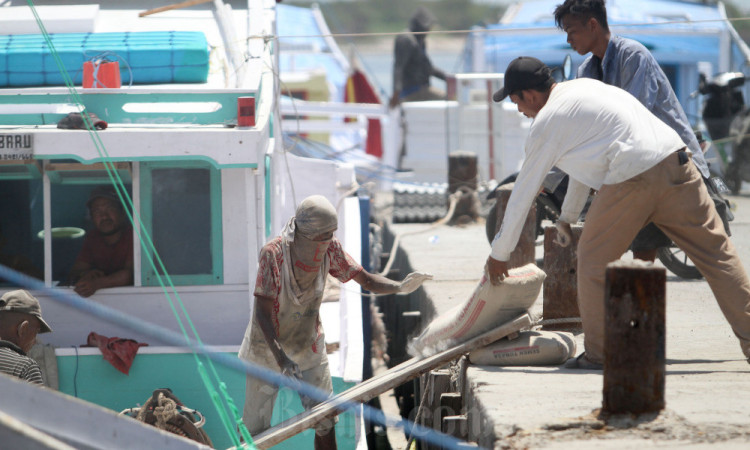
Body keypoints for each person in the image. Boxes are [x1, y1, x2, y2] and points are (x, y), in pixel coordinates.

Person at [485, 56, 750, 369]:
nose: (520, 110)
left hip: (633, 177)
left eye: (517, 102)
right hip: (678, 163)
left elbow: (523, 192)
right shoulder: (585, 89)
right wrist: (567, 218)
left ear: (530, 95)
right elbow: (585, 167)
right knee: (717, 257)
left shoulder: (545, 123)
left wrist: (499, 253)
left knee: (593, 261)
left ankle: (601, 354)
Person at [239, 195, 432, 449]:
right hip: (267, 350)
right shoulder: (273, 255)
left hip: (308, 345)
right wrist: (281, 358)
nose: (327, 242)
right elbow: (262, 313)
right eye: (323, 236)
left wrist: (400, 287)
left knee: (326, 417)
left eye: (332, 234)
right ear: (304, 234)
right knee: (255, 430)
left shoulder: (330, 248)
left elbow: (367, 280)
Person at [552, 0, 724, 263]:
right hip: (637, 168)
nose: (568, 39)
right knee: (631, 252)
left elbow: (631, 121)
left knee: (712, 255)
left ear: (593, 25)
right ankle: (635, 298)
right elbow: (588, 129)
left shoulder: (633, 55)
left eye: (571, 30)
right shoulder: (585, 71)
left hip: (670, 162)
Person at [68, 186, 133, 297]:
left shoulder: (134, 235)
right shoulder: (93, 238)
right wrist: (86, 275)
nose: (104, 216)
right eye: (97, 211)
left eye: (110, 208)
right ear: (91, 217)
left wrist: (97, 283)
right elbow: (74, 273)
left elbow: (131, 274)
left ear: (122, 212)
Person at [389, 7, 448, 109]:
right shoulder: (406, 39)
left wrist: (449, 78)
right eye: (428, 27)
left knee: (453, 97)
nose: (429, 30)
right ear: (422, 25)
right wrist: (396, 94)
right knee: (450, 99)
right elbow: (398, 68)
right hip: (412, 92)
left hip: (423, 89)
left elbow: (428, 68)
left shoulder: (420, 41)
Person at [0, 289, 52, 385]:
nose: (35, 341)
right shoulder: (25, 367)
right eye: (36, 332)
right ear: (22, 329)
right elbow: (36, 400)